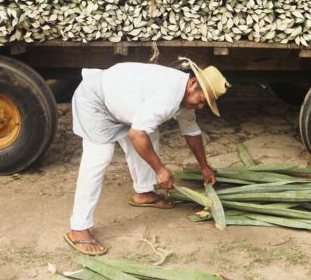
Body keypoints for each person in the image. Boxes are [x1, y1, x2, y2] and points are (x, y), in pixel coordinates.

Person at [64, 58, 231, 255]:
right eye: (203, 100)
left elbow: (191, 131)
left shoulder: (185, 97)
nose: (201, 107)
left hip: (122, 103)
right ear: (193, 83)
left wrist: (205, 167)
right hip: (95, 101)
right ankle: (79, 228)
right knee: (99, 157)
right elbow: (136, 134)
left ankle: (143, 192)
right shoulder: (168, 97)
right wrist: (160, 169)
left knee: (149, 134)